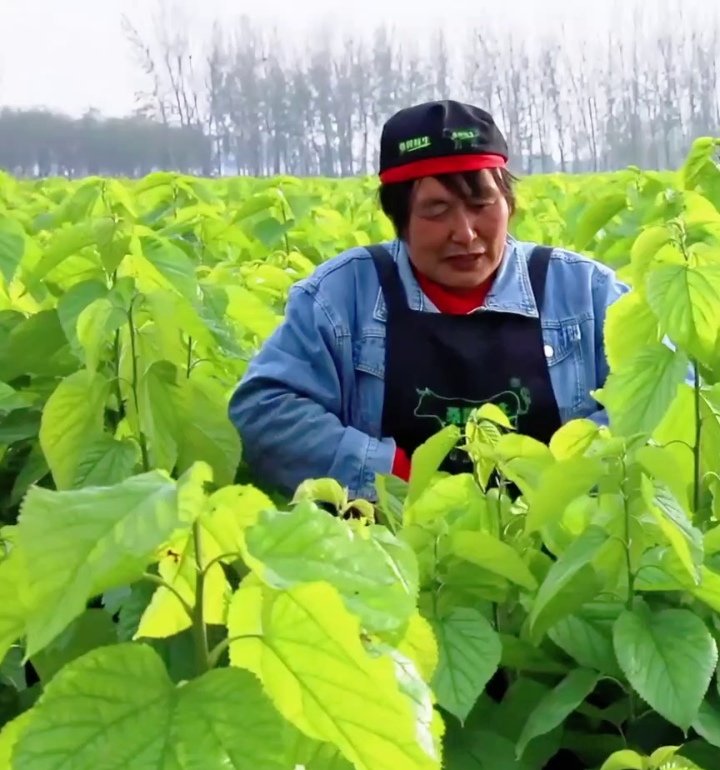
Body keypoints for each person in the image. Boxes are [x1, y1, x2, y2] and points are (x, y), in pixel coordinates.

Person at [229, 100, 626, 503]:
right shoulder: (342, 296)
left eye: (481, 204)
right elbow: (263, 410)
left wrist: (557, 484)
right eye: (437, 211)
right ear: (398, 218)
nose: (465, 233)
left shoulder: (585, 293)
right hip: (389, 536)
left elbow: (649, 408)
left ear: (509, 203)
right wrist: (393, 477)